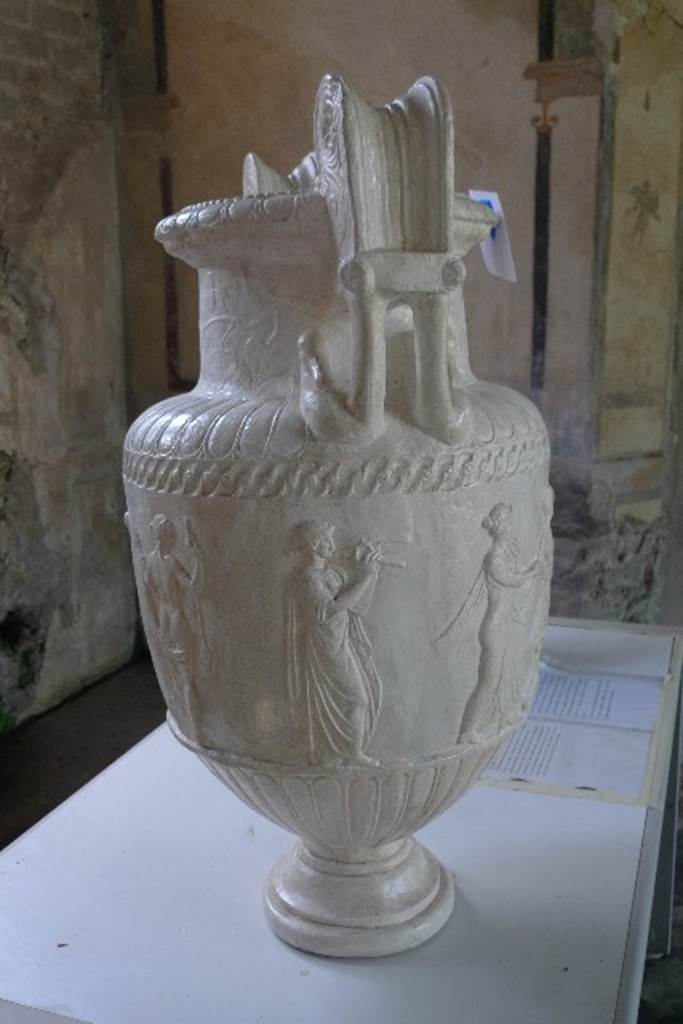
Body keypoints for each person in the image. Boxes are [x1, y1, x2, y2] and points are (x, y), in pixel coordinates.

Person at [286, 520, 383, 765]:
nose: (331, 545)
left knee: (357, 699)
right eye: (325, 540)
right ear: (312, 544)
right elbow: (332, 608)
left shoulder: (331, 573)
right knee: (357, 699)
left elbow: (357, 605)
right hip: (326, 647)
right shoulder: (308, 579)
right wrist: (366, 576)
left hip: (340, 640)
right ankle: (349, 753)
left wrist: (369, 569)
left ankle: (350, 752)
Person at [457, 502, 538, 741]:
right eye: (510, 523)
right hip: (493, 628)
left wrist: (530, 569)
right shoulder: (493, 558)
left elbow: (515, 576)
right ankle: (467, 731)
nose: (514, 528)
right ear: (502, 528)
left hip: (503, 626)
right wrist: (532, 572)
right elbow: (511, 580)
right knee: (489, 680)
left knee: (502, 674)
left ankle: (502, 715)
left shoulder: (506, 554)